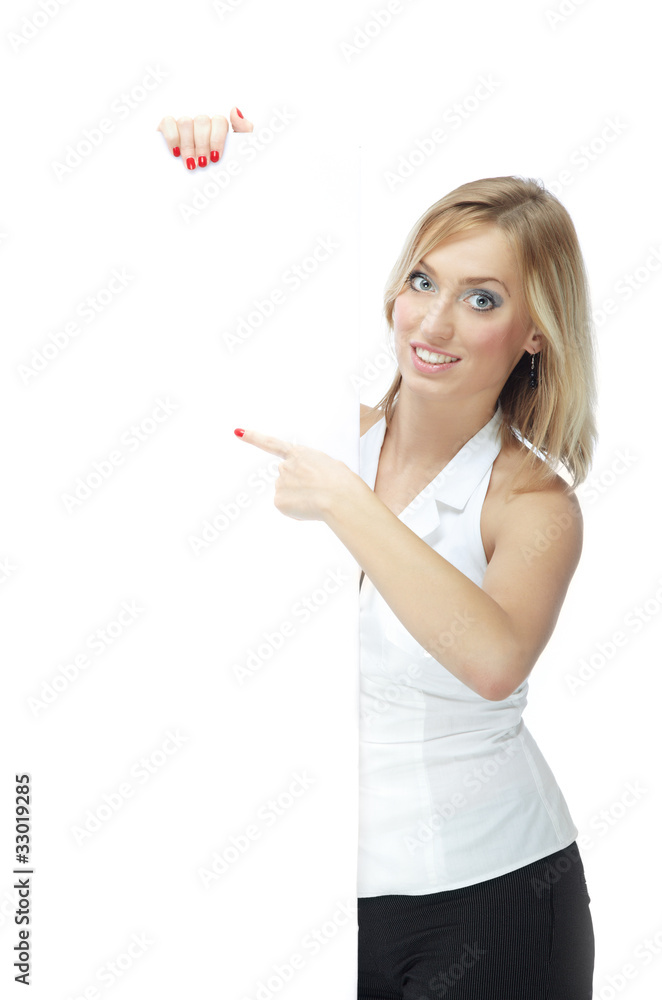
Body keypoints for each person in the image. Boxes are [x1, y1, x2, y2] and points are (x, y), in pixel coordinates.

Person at [235, 175, 597, 998]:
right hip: (314, 898)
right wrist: (203, 145)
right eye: (423, 281)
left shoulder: (533, 503)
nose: (433, 323)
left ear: (535, 333)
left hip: (493, 899)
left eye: (481, 299)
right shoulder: (324, 443)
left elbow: (496, 661)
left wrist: (347, 503)